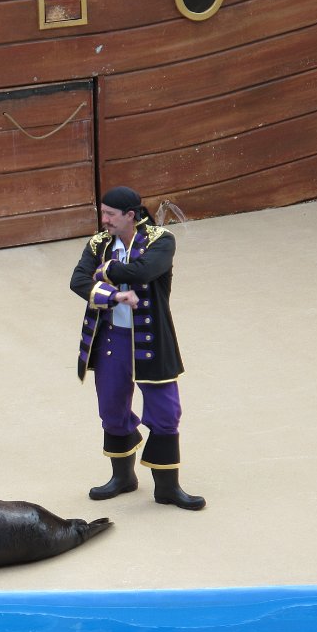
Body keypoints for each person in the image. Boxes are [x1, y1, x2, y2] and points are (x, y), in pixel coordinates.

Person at [70, 185, 205, 510]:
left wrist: (104, 271)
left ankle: (168, 487)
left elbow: (143, 271)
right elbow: (77, 281)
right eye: (103, 213)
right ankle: (123, 478)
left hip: (152, 339)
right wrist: (114, 295)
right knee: (112, 408)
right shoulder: (99, 242)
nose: (104, 220)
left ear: (131, 215)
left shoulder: (161, 241)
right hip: (112, 339)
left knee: (165, 411)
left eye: (110, 214)